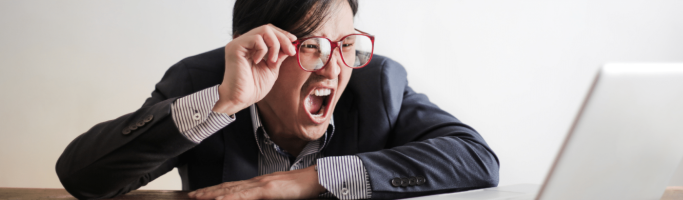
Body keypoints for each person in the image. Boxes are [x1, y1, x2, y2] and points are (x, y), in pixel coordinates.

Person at [55, 0, 500, 199]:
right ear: (255, 46)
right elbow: (83, 178)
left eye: (346, 44)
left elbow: (476, 159)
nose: (333, 68)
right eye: (311, 46)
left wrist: (309, 180)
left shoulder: (377, 82)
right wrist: (222, 103)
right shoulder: (200, 81)